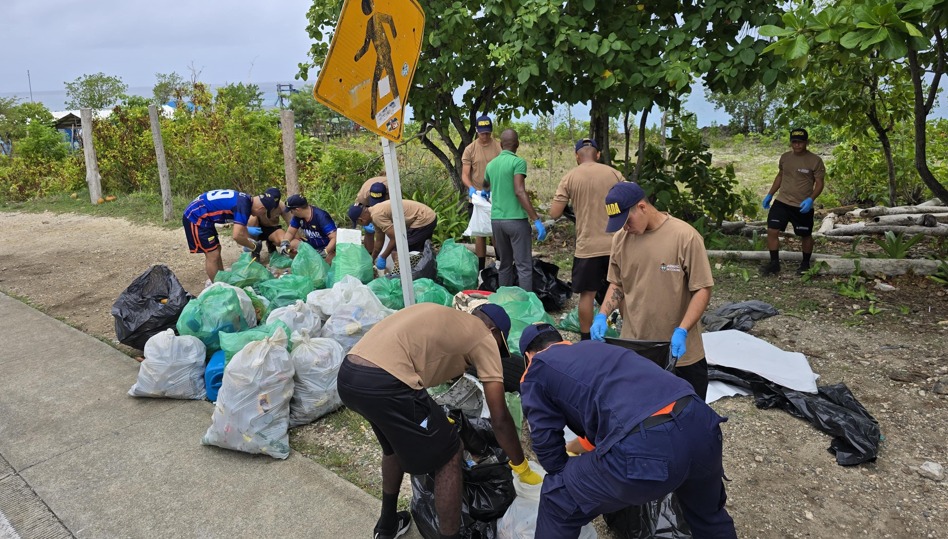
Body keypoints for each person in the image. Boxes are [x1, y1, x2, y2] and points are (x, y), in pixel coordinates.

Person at [337, 303, 542, 539]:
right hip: (387, 383)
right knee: (450, 453)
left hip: (350, 376)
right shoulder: (483, 336)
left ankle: (387, 525)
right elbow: (500, 418)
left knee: (393, 449)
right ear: (493, 331)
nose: (496, 353)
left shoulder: (448, 320)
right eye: (499, 346)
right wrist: (521, 466)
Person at [518, 323, 736, 539]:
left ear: (528, 356)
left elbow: (548, 450)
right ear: (562, 341)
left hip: (649, 444)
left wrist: (570, 476)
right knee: (709, 517)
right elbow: (613, 415)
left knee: (558, 498)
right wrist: (578, 451)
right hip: (700, 423)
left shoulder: (537, 369)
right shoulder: (598, 349)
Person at [591, 182, 714, 400]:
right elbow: (617, 284)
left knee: (691, 412)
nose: (625, 228)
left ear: (642, 207)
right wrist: (602, 315)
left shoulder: (685, 237)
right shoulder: (620, 239)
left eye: (627, 221)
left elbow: (702, 288)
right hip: (636, 348)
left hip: (679, 352)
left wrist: (683, 330)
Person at [549, 139, 623, 340]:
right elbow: (630, 200)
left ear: (577, 156)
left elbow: (554, 213)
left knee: (587, 295)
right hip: (616, 245)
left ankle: (586, 339)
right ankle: (629, 336)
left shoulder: (570, 177)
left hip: (587, 247)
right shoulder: (614, 174)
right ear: (598, 154)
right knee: (621, 291)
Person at [484, 128, 546, 292]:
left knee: (504, 264)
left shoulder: (491, 165)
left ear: (500, 144)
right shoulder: (518, 163)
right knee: (523, 265)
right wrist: (536, 219)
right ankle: (525, 303)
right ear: (517, 144)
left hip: (497, 221)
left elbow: (485, 185)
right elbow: (519, 191)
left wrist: (485, 191)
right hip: (516, 221)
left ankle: (505, 300)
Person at [761, 128, 826, 276]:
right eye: (794, 142)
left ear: (806, 143)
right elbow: (780, 175)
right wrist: (770, 194)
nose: (797, 145)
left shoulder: (815, 160)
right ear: (791, 143)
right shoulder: (785, 157)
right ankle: (774, 263)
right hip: (782, 201)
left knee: (805, 234)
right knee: (772, 230)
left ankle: (805, 264)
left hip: (802, 205)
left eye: (800, 142)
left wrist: (811, 199)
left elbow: (820, 183)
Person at [182, 188, 281, 283]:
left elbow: (242, 229)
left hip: (205, 217)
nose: (259, 215)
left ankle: (222, 280)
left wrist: (250, 241)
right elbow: (237, 236)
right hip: (196, 217)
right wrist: (253, 246)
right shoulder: (243, 207)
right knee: (212, 254)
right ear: (261, 208)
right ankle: (217, 287)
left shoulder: (246, 200)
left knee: (217, 249)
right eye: (263, 213)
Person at [348, 199, 437, 271]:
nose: (362, 224)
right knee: (419, 250)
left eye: (359, 223)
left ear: (361, 219)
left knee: (397, 252)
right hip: (427, 216)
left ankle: (402, 279)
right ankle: (424, 272)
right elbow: (379, 241)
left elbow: (395, 238)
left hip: (423, 219)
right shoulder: (374, 213)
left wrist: (383, 257)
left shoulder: (376, 216)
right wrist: (372, 260)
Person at [462, 115, 502, 271]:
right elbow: (465, 174)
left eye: (487, 133)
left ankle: (499, 263)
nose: (485, 136)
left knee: (496, 231)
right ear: (477, 131)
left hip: (495, 195)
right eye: (482, 133)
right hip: (477, 196)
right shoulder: (470, 149)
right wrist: (471, 188)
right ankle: (481, 268)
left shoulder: (498, 147)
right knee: (480, 233)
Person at [279, 194, 338, 264]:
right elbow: (290, 232)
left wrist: (325, 251)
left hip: (326, 246)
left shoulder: (321, 216)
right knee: (291, 245)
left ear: (297, 209)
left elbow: (334, 237)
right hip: (311, 244)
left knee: (327, 261)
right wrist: (284, 243)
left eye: (291, 211)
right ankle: (304, 262)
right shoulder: (297, 217)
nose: (291, 213)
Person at [246, 187, 290, 258]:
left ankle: (271, 245)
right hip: (256, 228)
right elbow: (240, 221)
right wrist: (248, 229)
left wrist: (291, 241)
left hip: (271, 229)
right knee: (252, 218)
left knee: (283, 239)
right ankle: (254, 249)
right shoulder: (256, 202)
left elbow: (291, 223)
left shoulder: (281, 206)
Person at [355, 174, 389, 255]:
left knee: (387, 230)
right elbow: (357, 208)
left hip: (388, 203)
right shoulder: (363, 196)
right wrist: (366, 224)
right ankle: (369, 255)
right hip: (367, 198)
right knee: (368, 229)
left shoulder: (393, 191)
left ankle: (386, 253)